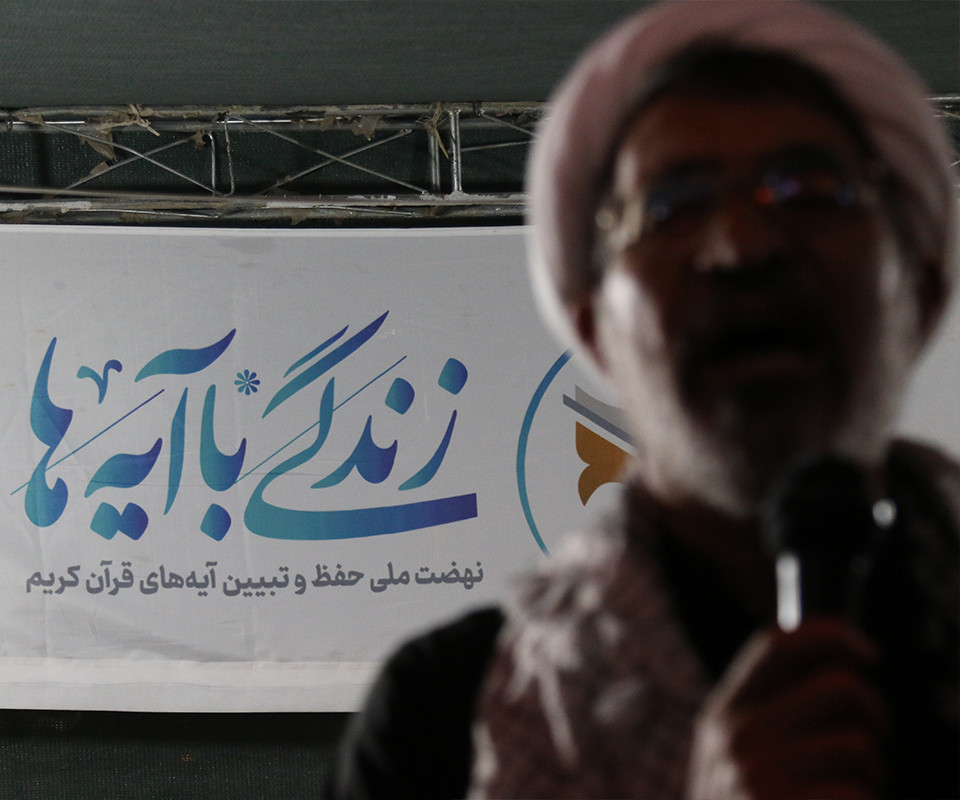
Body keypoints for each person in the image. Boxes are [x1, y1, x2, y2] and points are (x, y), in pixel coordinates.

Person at [328, 2, 958, 798]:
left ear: (920, 295)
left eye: (807, 189)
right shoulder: (437, 721)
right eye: (671, 207)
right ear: (595, 331)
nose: (741, 247)